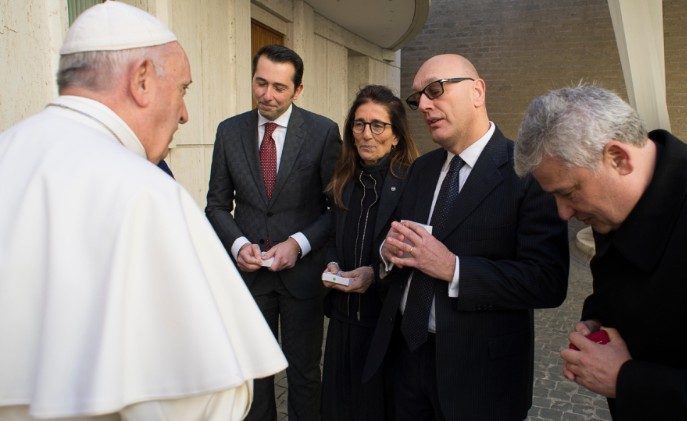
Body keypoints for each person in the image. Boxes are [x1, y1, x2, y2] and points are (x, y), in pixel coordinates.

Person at [0, 2, 287, 420]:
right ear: (141, 81)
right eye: (183, 89)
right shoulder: (144, 191)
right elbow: (194, 399)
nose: (185, 113)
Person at [513, 84, 687, 420]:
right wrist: (594, 321)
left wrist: (625, 380)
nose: (562, 213)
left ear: (618, 158)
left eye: (568, 193)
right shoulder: (614, 204)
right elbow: (623, 289)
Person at [362, 54, 570, 420]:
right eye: (417, 98)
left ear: (477, 91)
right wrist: (386, 249)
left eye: (435, 90)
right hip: (406, 358)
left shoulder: (527, 172)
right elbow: (391, 233)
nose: (424, 105)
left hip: (480, 376)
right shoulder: (423, 168)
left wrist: (454, 268)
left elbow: (547, 281)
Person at [205, 44, 341, 420]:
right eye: (260, 83)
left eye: (279, 87)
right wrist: (237, 245)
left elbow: (337, 209)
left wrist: (298, 244)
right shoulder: (229, 131)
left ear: (298, 90)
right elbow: (216, 204)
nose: (267, 94)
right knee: (254, 375)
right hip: (248, 280)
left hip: (302, 278)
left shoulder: (323, 132)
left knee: (303, 373)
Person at [320, 85, 419, 421]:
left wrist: (373, 274)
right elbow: (331, 234)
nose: (366, 134)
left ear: (396, 136)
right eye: (359, 124)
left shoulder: (412, 183)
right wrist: (331, 261)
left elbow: (415, 253)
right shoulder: (344, 178)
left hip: (384, 325)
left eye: (378, 125)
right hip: (342, 320)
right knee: (336, 407)